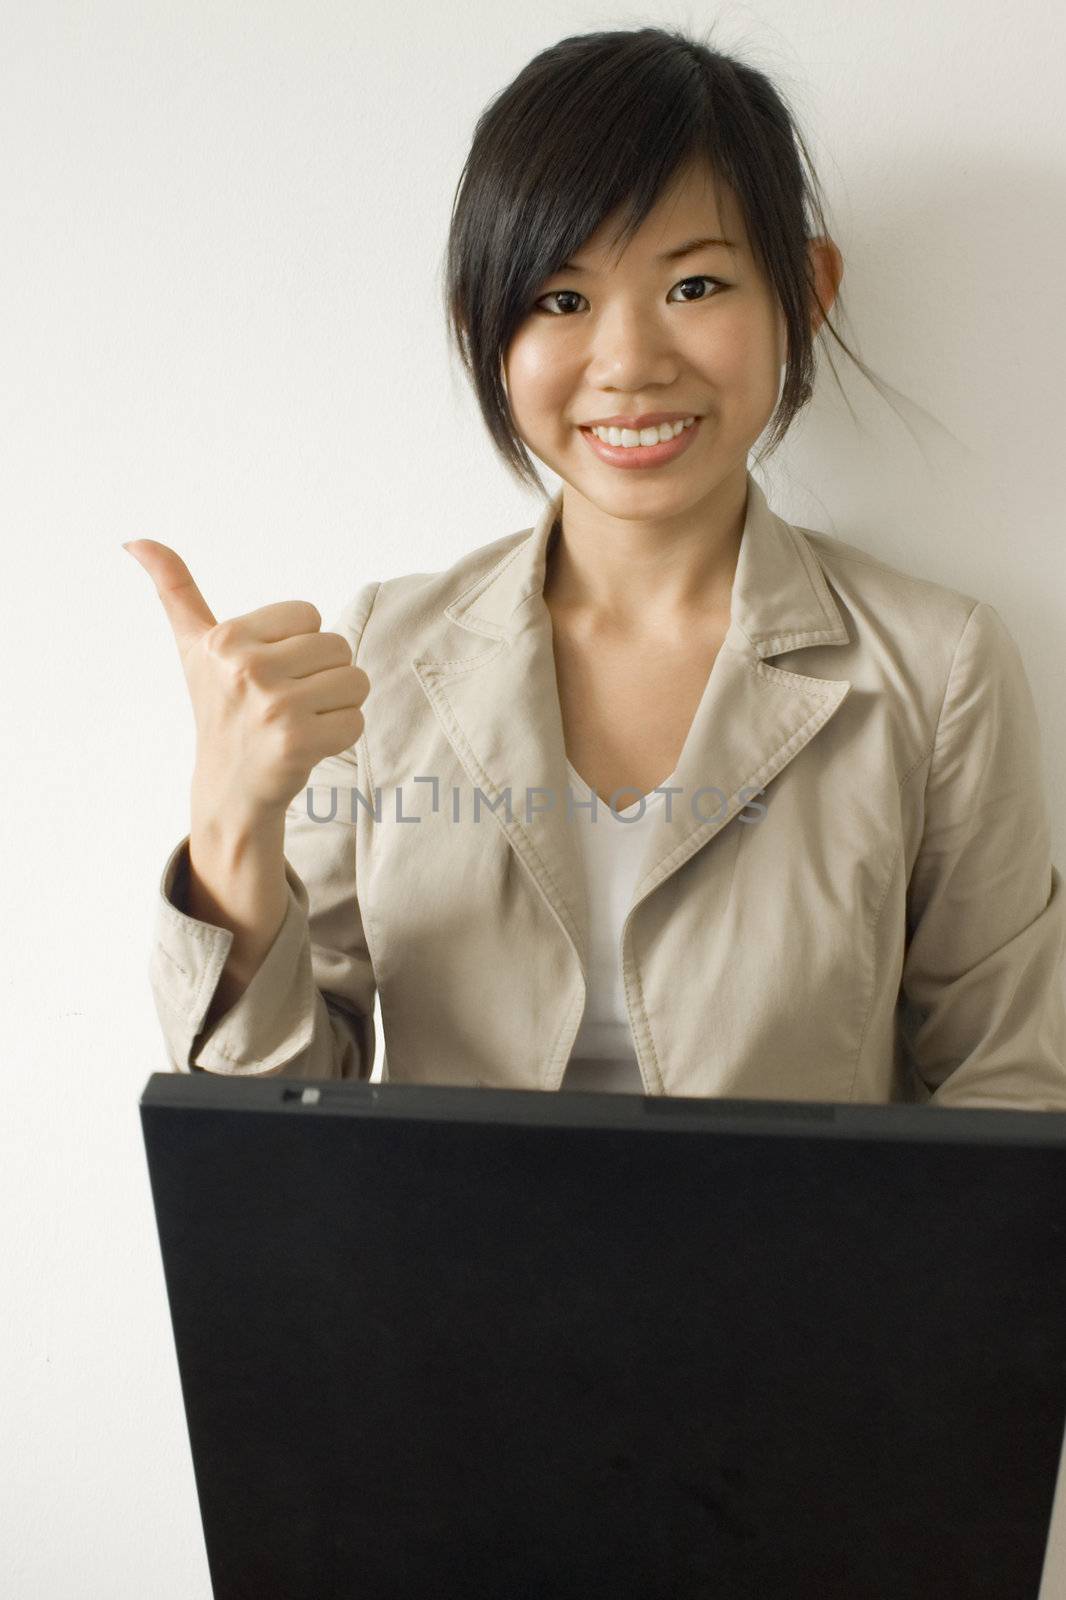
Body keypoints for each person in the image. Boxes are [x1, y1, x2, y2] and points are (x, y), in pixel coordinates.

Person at [128, 25, 1066, 1107]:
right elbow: (282, 1123)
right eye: (560, 301)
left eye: (696, 286)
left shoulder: (934, 668)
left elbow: (1009, 1095)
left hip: (799, 1281)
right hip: (445, 1276)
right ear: (483, 326)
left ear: (805, 293)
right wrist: (229, 821)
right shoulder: (385, 652)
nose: (628, 364)